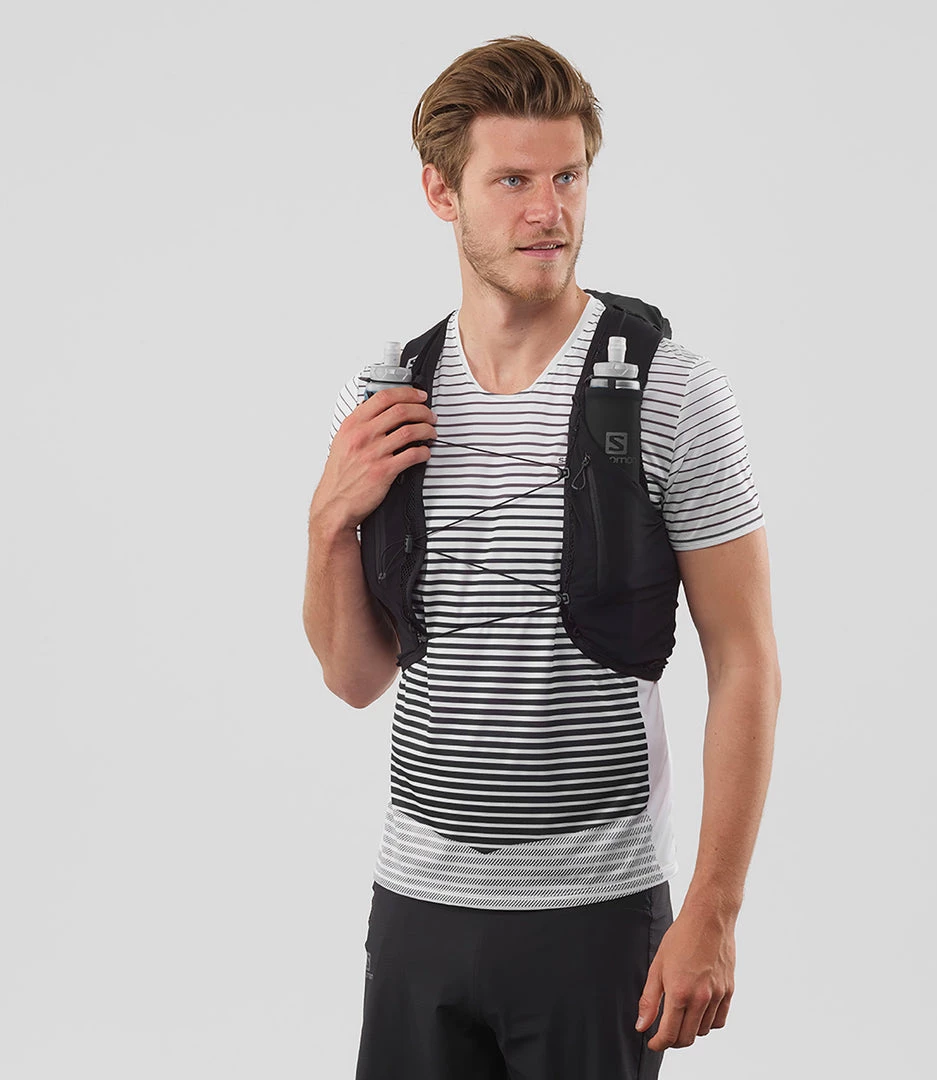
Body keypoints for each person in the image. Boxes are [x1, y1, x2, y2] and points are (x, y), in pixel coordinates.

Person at [303, 35, 781, 1080]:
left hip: (597, 916)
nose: (549, 211)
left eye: (568, 177)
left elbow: (745, 660)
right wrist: (327, 524)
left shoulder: (669, 390)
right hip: (418, 908)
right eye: (513, 181)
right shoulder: (389, 397)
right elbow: (355, 677)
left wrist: (713, 909)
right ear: (442, 192)